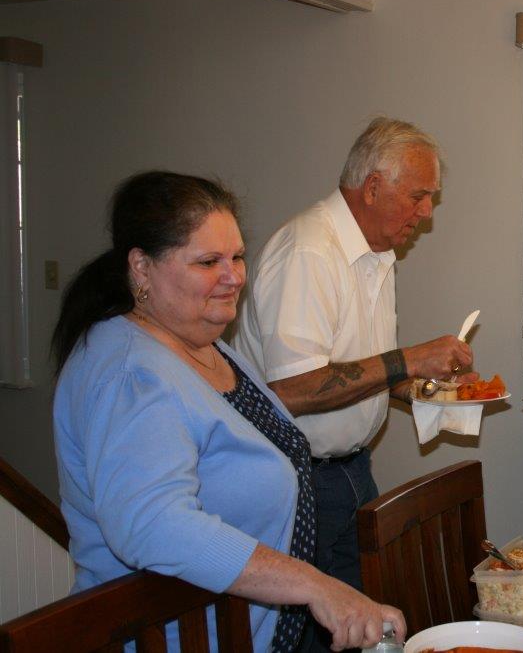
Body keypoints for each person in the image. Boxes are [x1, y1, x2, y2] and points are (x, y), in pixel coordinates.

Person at [51, 171, 405, 652]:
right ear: (141, 268)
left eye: (237, 257)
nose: (234, 276)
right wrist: (315, 585)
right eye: (208, 262)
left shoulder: (205, 344)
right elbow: (154, 525)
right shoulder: (131, 373)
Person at [233, 117, 473, 651]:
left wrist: (423, 386)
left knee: (365, 628)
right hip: (298, 478)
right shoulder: (310, 251)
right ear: (373, 187)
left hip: (352, 471)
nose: (427, 212)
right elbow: (293, 389)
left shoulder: (377, 254)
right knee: (306, 638)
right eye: (419, 196)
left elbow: (353, 368)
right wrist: (408, 359)